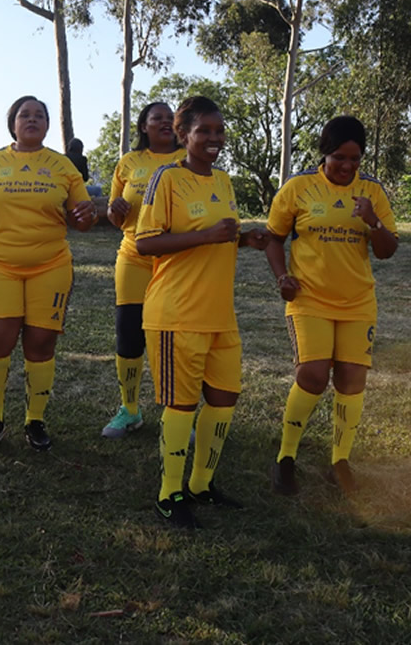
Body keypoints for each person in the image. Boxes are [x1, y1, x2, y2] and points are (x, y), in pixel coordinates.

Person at [136, 95, 269, 529]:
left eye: (219, 131)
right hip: (176, 313)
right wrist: (209, 235)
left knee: (224, 399)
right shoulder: (166, 178)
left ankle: (201, 483)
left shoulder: (224, 181)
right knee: (180, 404)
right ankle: (169, 492)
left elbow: (219, 238)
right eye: (204, 131)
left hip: (219, 314)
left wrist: (244, 240)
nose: (214, 139)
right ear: (182, 135)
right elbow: (146, 242)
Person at [0, 96, 97, 452]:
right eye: (24, 115)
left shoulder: (62, 166)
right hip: (1, 266)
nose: (32, 119)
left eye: (39, 115)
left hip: (52, 265)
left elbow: (82, 219)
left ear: (47, 125)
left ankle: (35, 420)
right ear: (12, 123)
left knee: (41, 343)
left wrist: (87, 216)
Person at [264, 116, 398, 496]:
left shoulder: (371, 192)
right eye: (339, 157)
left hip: (358, 303)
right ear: (324, 154)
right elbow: (274, 238)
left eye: (355, 159)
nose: (347, 167)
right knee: (313, 375)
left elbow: (388, 251)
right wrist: (281, 277)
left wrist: (372, 221)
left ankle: (340, 461)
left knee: (352, 379)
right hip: (309, 300)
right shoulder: (299, 188)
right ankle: (286, 457)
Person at [102, 102, 185, 438]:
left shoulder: (186, 160)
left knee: (172, 337)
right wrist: (115, 209)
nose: (165, 123)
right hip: (133, 257)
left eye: (170, 118)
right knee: (129, 334)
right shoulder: (128, 162)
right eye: (157, 118)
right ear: (144, 126)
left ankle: (175, 412)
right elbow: (114, 215)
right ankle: (130, 410)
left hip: (175, 261)